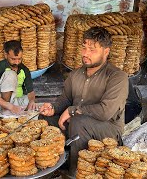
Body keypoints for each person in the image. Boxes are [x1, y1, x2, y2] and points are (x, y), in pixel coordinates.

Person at [39, 26, 129, 176]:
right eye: (84, 47)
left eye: (92, 50)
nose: (86, 53)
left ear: (106, 51)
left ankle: (75, 172)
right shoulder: (76, 74)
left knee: (78, 121)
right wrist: (53, 108)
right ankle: (51, 166)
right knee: (44, 120)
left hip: (108, 128)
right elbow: (65, 99)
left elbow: (105, 112)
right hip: (78, 124)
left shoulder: (117, 77)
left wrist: (72, 111)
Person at [0, 40, 36, 115]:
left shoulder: (24, 69)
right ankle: (5, 110)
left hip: (15, 101)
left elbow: (30, 92)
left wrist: (32, 101)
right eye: (13, 59)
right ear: (6, 55)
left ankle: (13, 110)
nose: (17, 62)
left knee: (30, 104)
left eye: (19, 59)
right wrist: (10, 106)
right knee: (10, 75)